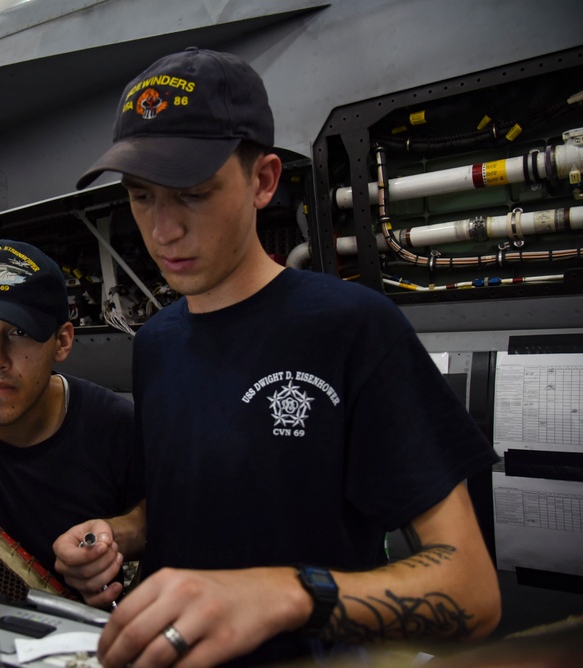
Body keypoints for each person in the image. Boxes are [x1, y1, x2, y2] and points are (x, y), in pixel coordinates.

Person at [53, 47, 501, 666]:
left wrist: (284, 593)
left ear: (262, 181)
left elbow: (471, 592)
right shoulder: (156, 343)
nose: (161, 231)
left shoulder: (352, 328)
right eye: (141, 196)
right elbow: (204, 498)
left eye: (192, 194)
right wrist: (121, 534)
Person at [0, 239, 144, 590]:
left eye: (19, 332)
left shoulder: (115, 428)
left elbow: (157, 517)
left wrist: (110, 539)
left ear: (62, 342)